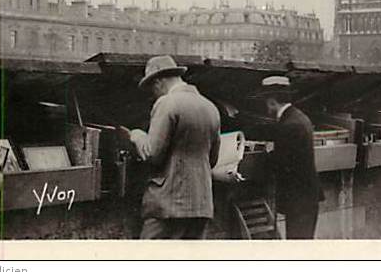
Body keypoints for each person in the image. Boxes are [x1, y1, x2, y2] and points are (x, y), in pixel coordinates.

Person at [120, 55, 221, 239]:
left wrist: (138, 136)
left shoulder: (167, 103)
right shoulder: (211, 107)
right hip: (202, 204)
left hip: (168, 205)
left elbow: (153, 155)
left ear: (158, 81)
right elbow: (212, 159)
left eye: (152, 88)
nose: (153, 93)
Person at [242, 76, 323, 239]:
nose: (266, 107)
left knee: (297, 246)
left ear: (272, 101)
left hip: (299, 199)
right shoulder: (297, 117)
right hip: (305, 197)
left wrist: (258, 157)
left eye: (266, 102)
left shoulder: (290, 125)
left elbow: (282, 161)